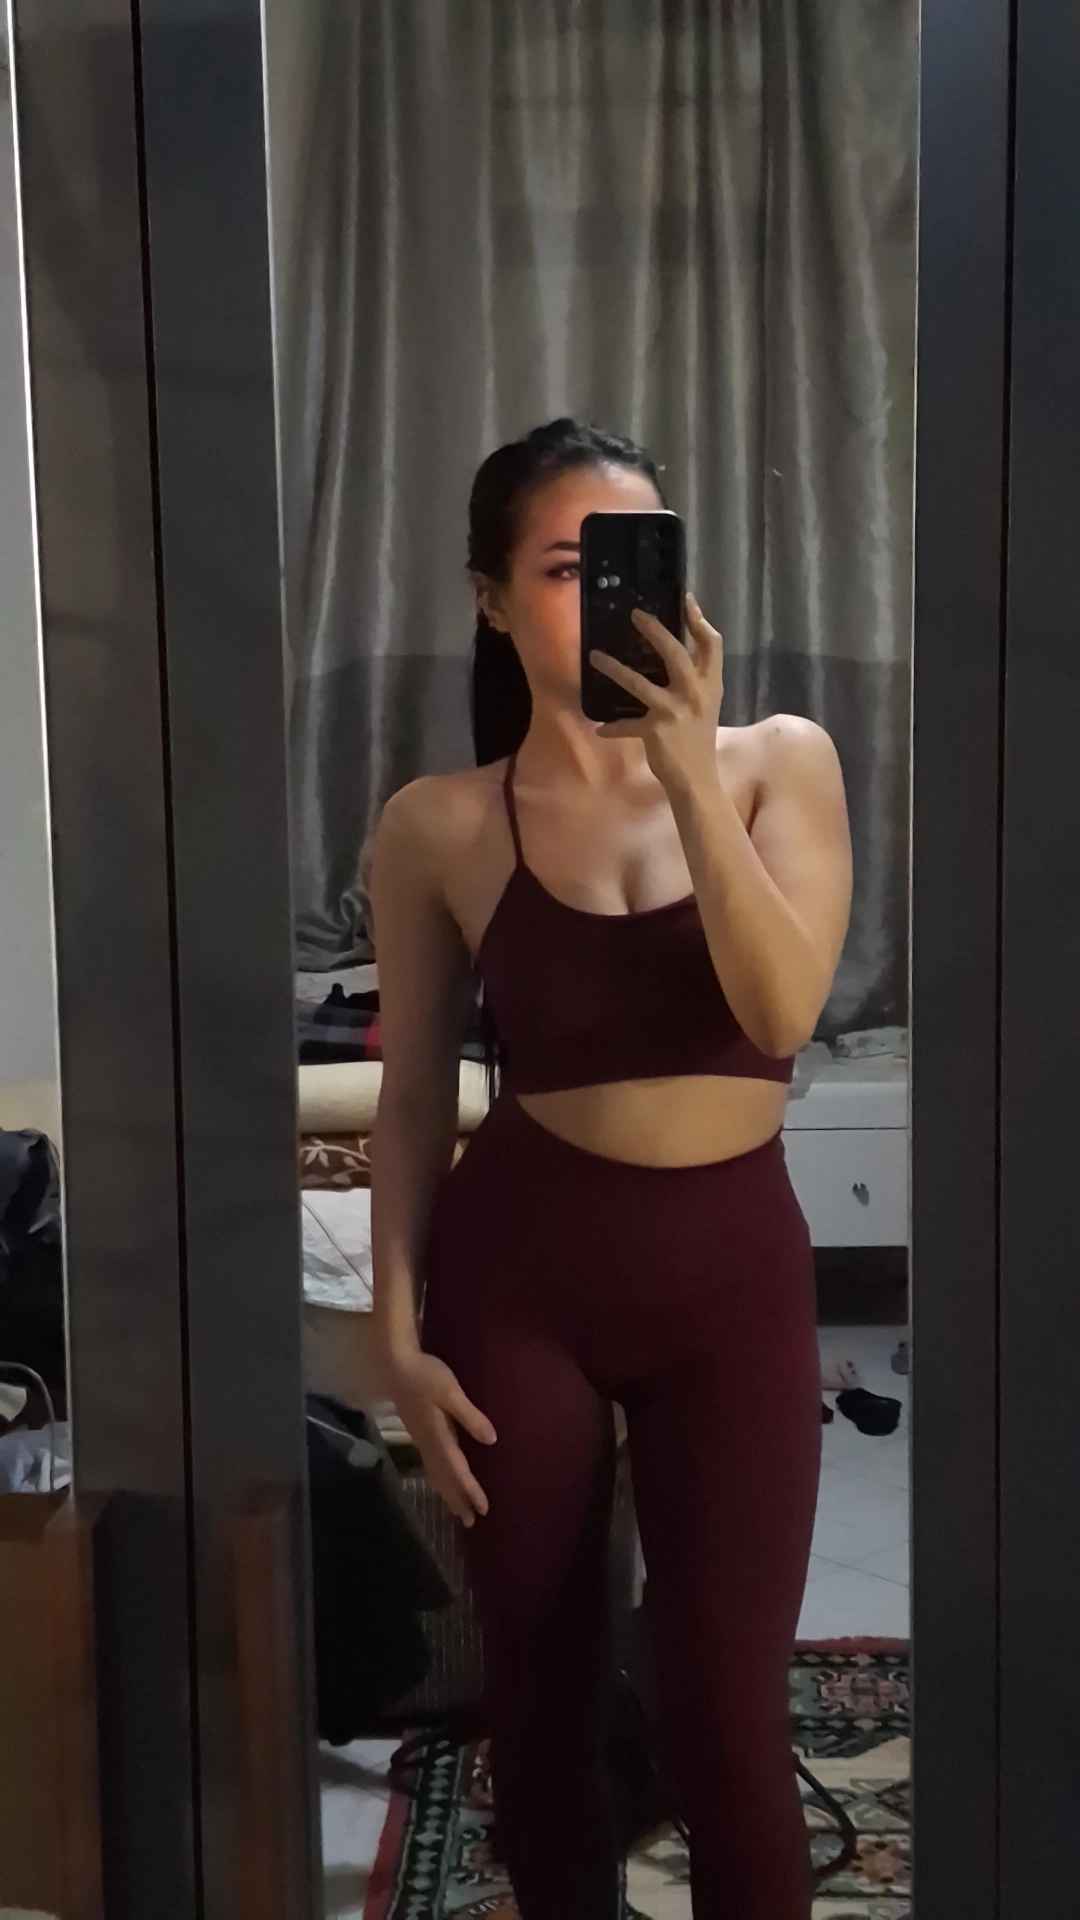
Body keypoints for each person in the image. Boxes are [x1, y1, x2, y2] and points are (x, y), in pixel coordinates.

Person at [367, 417, 853, 1917]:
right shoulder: (439, 825)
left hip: (732, 1282)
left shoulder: (779, 764)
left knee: (728, 1721)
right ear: (491, 599)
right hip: (521, 1281)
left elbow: (780, 1011)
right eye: (564, 567)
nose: (603, 598)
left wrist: (687, 776)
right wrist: (393, 1333)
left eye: (631, 561)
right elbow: (412, 1095)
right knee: (541, 1703)